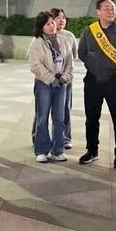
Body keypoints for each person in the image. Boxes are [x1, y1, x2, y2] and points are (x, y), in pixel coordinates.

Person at [77, 0, 116, 168]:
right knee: (91, 118)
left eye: (113, 8)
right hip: (92, 81)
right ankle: (92, 150)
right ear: (98, 12)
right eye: (107, 8)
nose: (111, 11)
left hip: (114, 81)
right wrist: (94, 65)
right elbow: (82, 53)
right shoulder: (89, 31)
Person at [27, 10, 73, 162]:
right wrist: (50, 79)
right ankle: (41, 150)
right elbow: (35, 66)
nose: (52, 25)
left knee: (59, 118)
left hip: (61, 84)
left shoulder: (63, 40)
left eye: (52, 22)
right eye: (48, 24)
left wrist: (65, 77)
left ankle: (57, 150)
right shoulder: (36, 43)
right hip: (44, 84)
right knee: (42, 117)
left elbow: (69, 62)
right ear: (41, 27)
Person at [49, 8, 77, 148]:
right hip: (47, 80)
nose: (61, 20)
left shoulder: (69, 36)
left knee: (65, 108)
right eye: (58, 17)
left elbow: (73, 56)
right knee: (42, 110)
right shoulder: (44, 36)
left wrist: (65, 75)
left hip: (65, 79)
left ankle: (65, 138)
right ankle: (37, 136)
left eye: (64, 17)